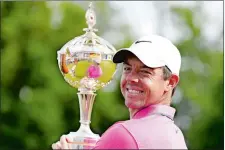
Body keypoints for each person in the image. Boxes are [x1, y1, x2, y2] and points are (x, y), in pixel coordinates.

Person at [52, 35, 188, 149]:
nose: (131, 78)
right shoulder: (176, 136)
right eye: (127, 69)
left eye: (145, 72)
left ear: (170, 82)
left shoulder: (123, 134)